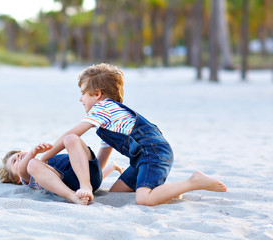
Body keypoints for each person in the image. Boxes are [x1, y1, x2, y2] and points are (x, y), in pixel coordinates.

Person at [40, 63, 227, 206]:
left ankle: (193, 181)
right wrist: (92, 177)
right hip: (142, 158)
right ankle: (166, 191)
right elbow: (101, 160)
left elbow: (71, 135)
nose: (80, 99)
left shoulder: (103, 108)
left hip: (153, 153)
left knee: (143, 199)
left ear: (97, 94)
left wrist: (45, 158)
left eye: (83, 93)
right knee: (118, 192)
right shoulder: (111, 121)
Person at [0, 143, 123, 205]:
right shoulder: (28, 177)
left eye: (19, 153)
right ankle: (72, 196)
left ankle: (108, 151)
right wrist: (33, 152)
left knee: (87, 169)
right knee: (33, 164)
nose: (19, 156)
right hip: (71, 184)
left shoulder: (41, 161)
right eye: (14, 161)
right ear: (18, 180)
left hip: (83, 175)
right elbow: (24, 169)